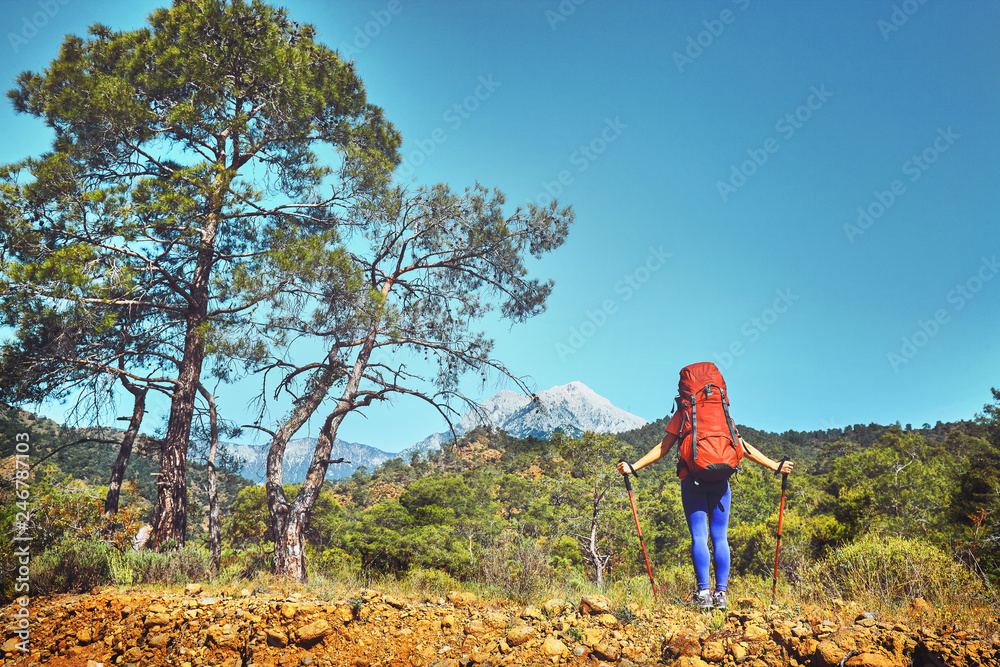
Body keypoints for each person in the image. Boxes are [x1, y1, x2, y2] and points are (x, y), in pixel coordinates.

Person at [617, 416, 793, 610]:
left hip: (692, 481)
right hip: (721, 482)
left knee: (700, 537)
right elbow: (743, 447)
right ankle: (721, 595)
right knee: (720, 537)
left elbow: (663, 448)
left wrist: (633, 466)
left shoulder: (685, 412)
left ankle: (703, 594)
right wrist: (775, 465)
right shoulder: (722, 413)